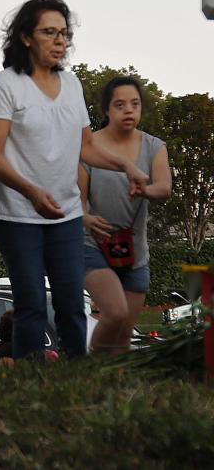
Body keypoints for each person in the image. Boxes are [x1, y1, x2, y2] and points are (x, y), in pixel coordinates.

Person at [0, 0, 149, 359]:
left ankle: (75, 384)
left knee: (72, 306)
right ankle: (31, 382)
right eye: (49, 32)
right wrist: (32, 191)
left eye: (64, 33)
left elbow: (85, 147)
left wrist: (127, 166)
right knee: (32, 306)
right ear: (25, 36)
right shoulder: (4, 84)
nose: (60, 41)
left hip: (67, 216)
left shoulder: (71, 85)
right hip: (17, 214)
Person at [80, 76, 171, 354]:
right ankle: (89, 371)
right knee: (115, 314)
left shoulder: (155, 146)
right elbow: (77, 200)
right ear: (107, 109)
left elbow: (164, 187)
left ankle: (112, 390)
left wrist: (144, 191)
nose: (128, 110)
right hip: (92, 245)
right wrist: (87, 219)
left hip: (136, 253)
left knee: (122, 339)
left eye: (135, 104)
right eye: (120, 104)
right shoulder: (89, 147)